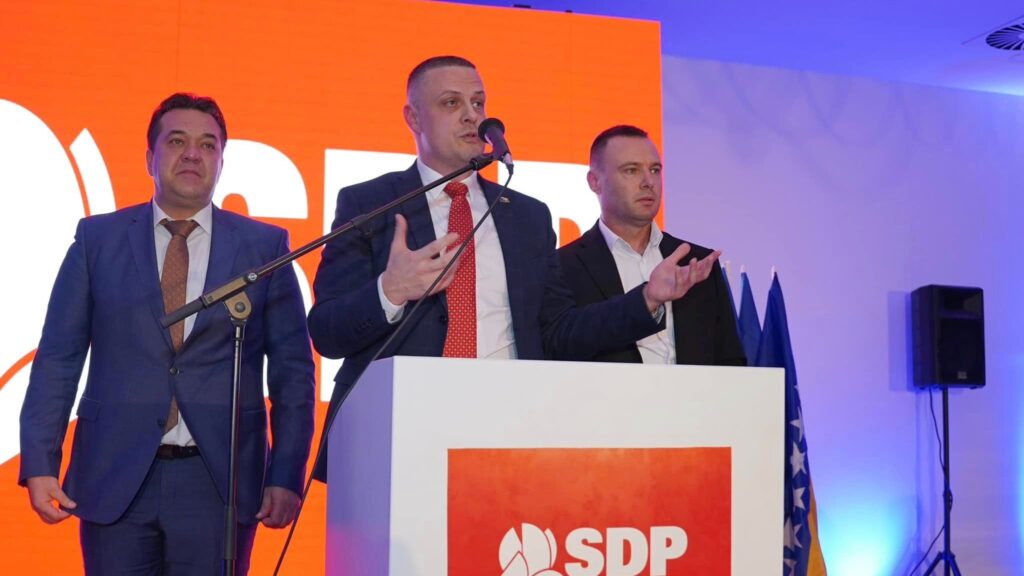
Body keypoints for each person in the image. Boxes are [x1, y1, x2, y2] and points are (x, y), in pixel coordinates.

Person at [308, 56, 721, 481]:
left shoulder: (526, 216)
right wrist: (390, 291)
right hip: (399, 433)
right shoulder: (370, 203)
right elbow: (326, 332)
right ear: (413, 118)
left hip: (508, 433)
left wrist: (646, 299)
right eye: (451, 103)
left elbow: (559, 331)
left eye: (478, 103)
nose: (472, 116)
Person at [19, 92, 316, 574]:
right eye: (177, 141)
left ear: (222, 162)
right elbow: (58, 358)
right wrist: (39, 460)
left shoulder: (265, 247)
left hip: (219, 482)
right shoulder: (97, 240)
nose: (193, 154)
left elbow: (293, 374)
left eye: (208, 145)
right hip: (113, 474)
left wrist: (285, 473)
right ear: (149, 158)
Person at [558, 125, 745, 366]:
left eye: (655, 170)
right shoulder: (563, 266)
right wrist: (646, 299)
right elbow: (560, 347)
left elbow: (730, 361)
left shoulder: (695, 263)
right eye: (631, 170)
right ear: (595, 182)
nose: (648, 182)